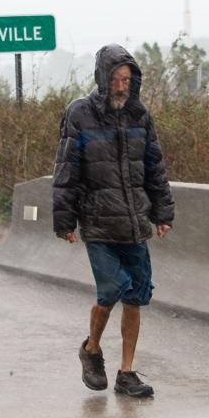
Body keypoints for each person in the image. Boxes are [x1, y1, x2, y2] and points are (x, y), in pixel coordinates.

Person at [53, 43, 175, 397]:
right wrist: (65, 220)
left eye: (127, 80)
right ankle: (91, 350)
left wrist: (162, 213)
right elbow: (66, 170)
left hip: (135, 221)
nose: (121, 86)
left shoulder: (140, 116)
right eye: (116, 79)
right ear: (103, 79)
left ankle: (127, 372)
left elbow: (155, 167)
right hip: (98, 222)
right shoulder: (79, 114)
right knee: (111, 290)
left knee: (136, 295)